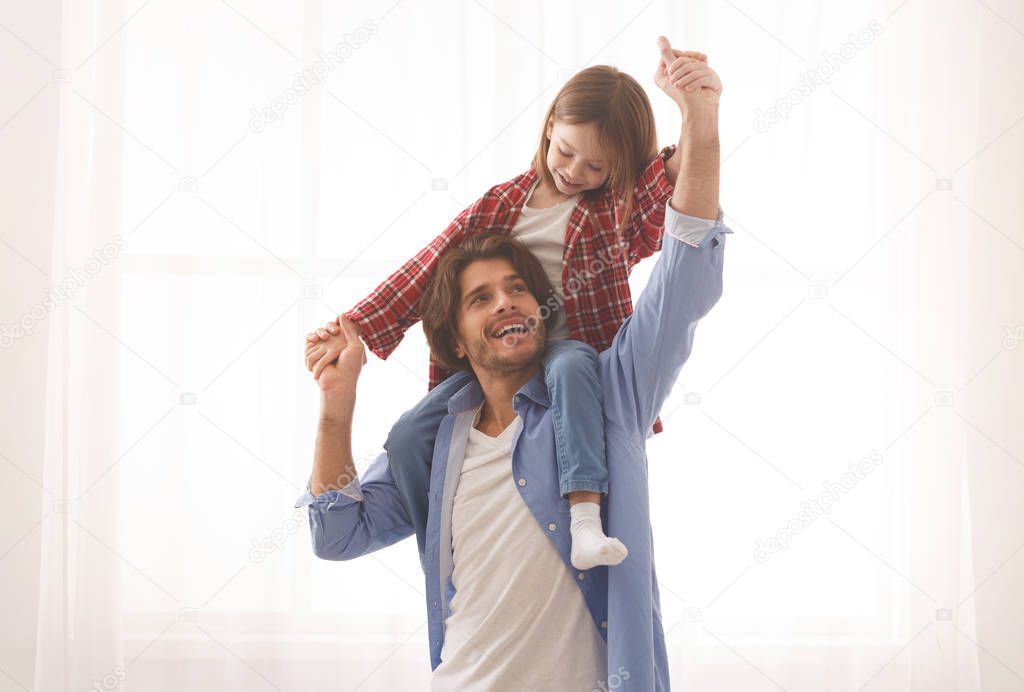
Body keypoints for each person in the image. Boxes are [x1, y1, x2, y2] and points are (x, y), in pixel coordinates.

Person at [297, 54, 730, 688]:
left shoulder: (611, 399)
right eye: (480, 298)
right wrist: (338, 403)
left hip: (581, 379)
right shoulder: (435, 439)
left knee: (579, 363)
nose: (506, 302)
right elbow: (336, 534)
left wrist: (701, 118)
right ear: (453, 333)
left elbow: (687, 249)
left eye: (520, 288)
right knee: (414, 427)